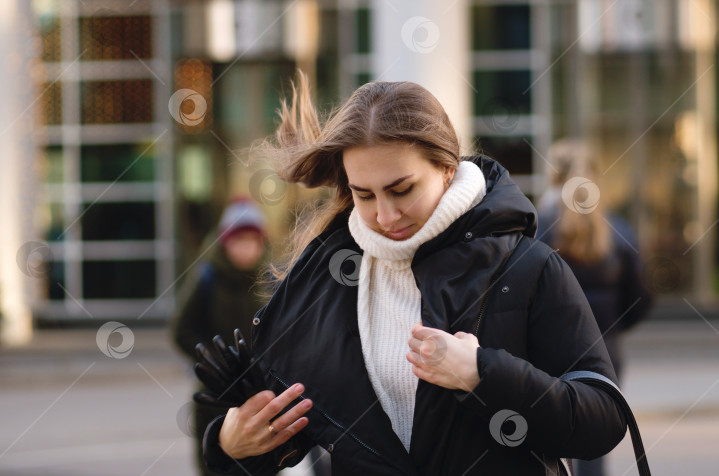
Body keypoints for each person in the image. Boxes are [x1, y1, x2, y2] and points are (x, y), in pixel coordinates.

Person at [200, 72, 628, 475]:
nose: (385, 215)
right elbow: (297, 435)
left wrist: (482, 373)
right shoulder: (326, 281)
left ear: (446, 167)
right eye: (363, 194)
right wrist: (228, 443)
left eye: (401, 189)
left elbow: (603, 419)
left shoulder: (528, 266)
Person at [536, 139, 654, 476]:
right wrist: (613, 328)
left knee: (548, 444)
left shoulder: (537, 228)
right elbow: (642, 295)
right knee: (593, 444)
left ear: (553, 176)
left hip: (549, 352)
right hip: (605, 352)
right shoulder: (620, 228)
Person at [171, 196, 273, 476]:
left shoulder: (270, 281)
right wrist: (216, 363)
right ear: (225, 243)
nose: (246, 249)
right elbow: (181, 332)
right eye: (239, 241)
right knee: (216, 468)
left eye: (252, 241)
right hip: (214, 397)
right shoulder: (207, 278)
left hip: (260, 394)